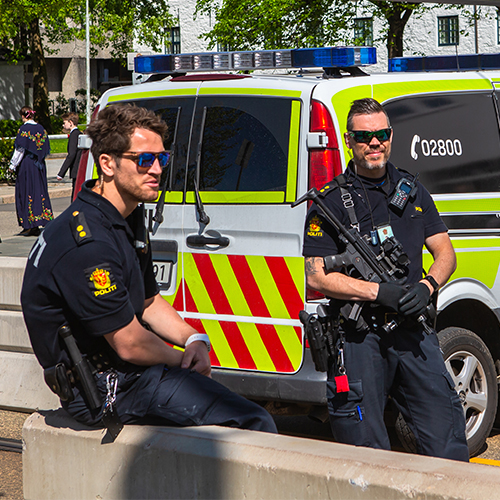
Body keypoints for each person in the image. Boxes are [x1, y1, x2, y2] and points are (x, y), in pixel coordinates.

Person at [21, 104, 277, 434]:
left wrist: (194, 339)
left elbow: (148, 301)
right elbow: (128, 341)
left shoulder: (128, 216)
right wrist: (182, 360)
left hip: (129, 374)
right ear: (107, 163)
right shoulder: (88, 242)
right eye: (144, 159)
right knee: (253, 422)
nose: (156, 169)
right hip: (106, 388)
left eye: (162, 159)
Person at [302, 98, 469, 461]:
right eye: (364, 137)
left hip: (411, 330)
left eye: (381, 134)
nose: (374, 143)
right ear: (349, 140)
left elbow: (446, 253)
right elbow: (316, 275)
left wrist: (427, 286)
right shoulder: (329, 202)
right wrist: (378, 291)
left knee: (447, 439)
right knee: (365, 452)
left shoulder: (412, 191)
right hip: (359, 336)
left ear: (391, 136)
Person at [9, 106, 54, 236]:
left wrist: (12, 165)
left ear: (23, 116)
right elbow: (45, 148)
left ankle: (29, 224)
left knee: (26, 191)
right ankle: (39, 219)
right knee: (39, 191)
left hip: (27, 165)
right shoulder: (41, 129)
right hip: (39, 165)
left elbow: (20, 149)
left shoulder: (24, 130)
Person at [56, 112, 83, 199]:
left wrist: (61, 173)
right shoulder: (79, 134)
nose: (63, 125)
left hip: (76, 169)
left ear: (70, 123)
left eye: (64, 123)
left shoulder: (73, 135)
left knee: (75, 196)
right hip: (80, 169)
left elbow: (71, 154)